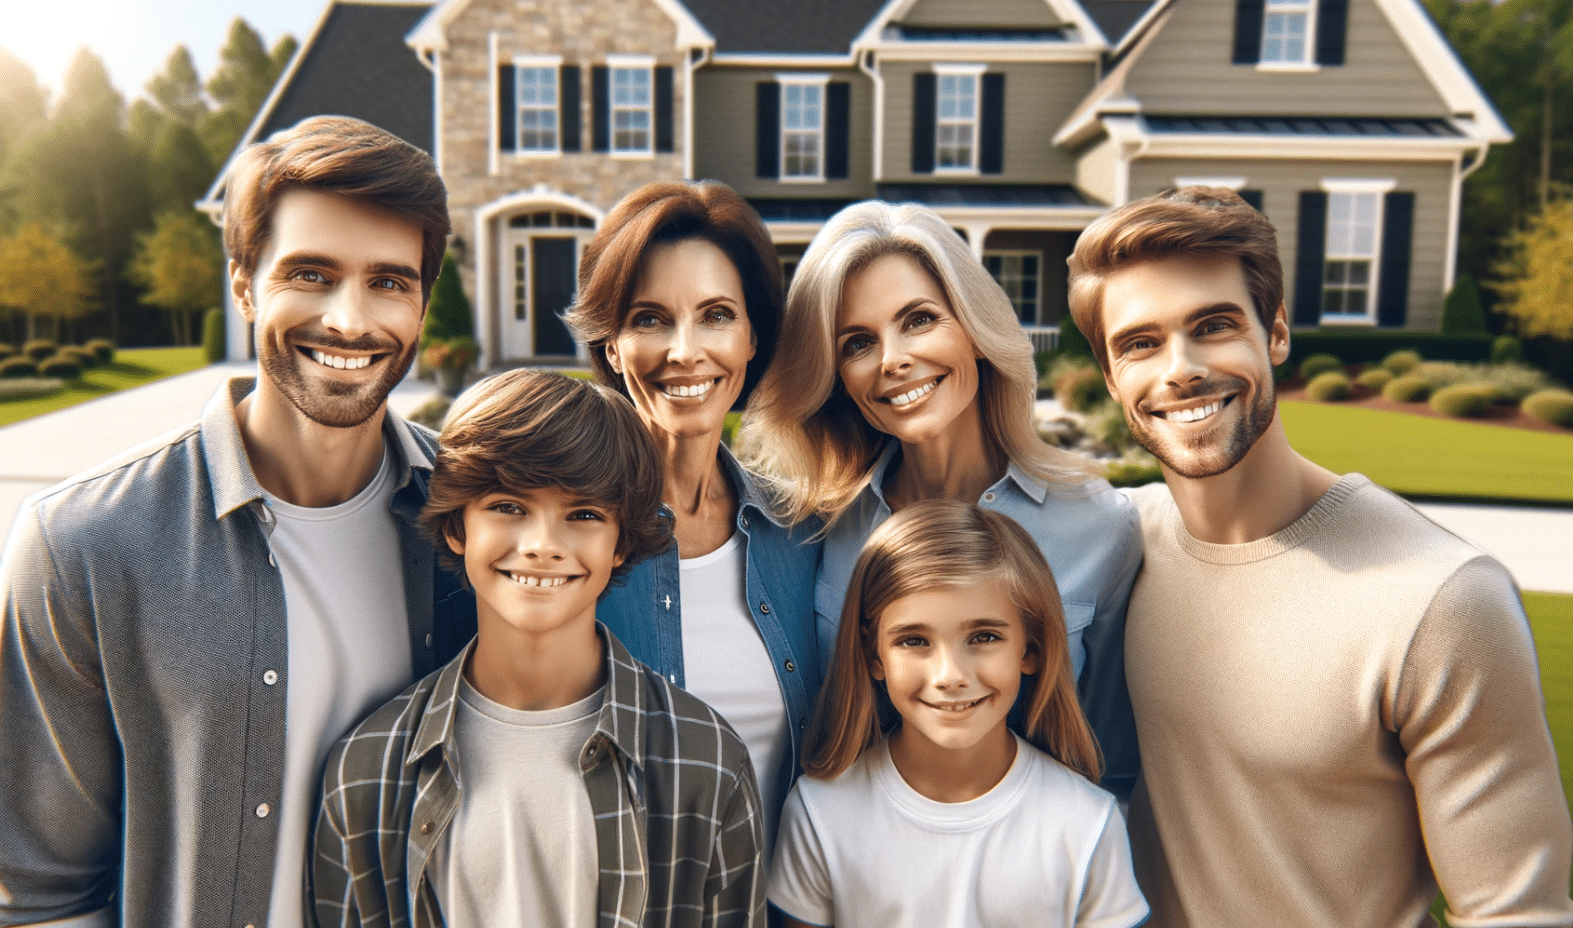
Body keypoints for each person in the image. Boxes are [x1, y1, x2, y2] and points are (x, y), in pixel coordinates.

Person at [0, 116, 475, 928]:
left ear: (423, 303)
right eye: (311, 274)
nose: (351, 321)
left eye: (389, 282)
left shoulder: (482, 519)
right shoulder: (81, 544)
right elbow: (42, 894)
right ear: (245, 283)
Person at [1066, 186, 1573, 927]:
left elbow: (1515, 915)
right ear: (1112, 379)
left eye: (1211, 326)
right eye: (1139, 343)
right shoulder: (1113, 548)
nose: (1178, 369)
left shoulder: (1440, 598)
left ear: (1274, 335)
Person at [310, 370, 764, 928]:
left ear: (620, 542)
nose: (543, 546)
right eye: (508, 506)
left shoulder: (707, 760)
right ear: (458, 527)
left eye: (584, 515)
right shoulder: (367, 770)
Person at [738, 200, 1142, 800]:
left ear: (975, 332)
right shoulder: (819, 526)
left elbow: (1110, 761)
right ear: (838, 376)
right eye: (856, 343)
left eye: (919, 319)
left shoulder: (1098, 526)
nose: (893, 359)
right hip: (843, 863)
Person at [563, 181, 820, 854]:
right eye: (649, 319)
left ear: (750, 337)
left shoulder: (803, 532)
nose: (685, 350)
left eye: (715, 315)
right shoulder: (559, 546)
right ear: (612, 347)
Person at [768, 500, 1147, 928]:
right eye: (914, 641)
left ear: (1032, 647)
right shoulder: (820, 812)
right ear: (873, 654)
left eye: (983, 636)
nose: (950, 676)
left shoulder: (1086, 822)